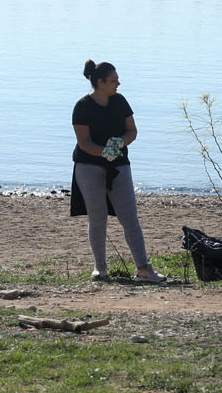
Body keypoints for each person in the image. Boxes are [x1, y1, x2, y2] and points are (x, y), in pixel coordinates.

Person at [71, 60, 166, 283]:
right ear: (100, 82)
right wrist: (104, 152)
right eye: (114, 80)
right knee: (97, 218)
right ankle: (100, 267)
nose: (118, 84)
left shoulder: (120, 101)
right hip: (88, 166)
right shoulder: (82, 106)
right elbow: (84, 143)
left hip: (120, 166)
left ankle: (144, 268)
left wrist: (119, 144)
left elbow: (132, 131)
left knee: (130, 218)